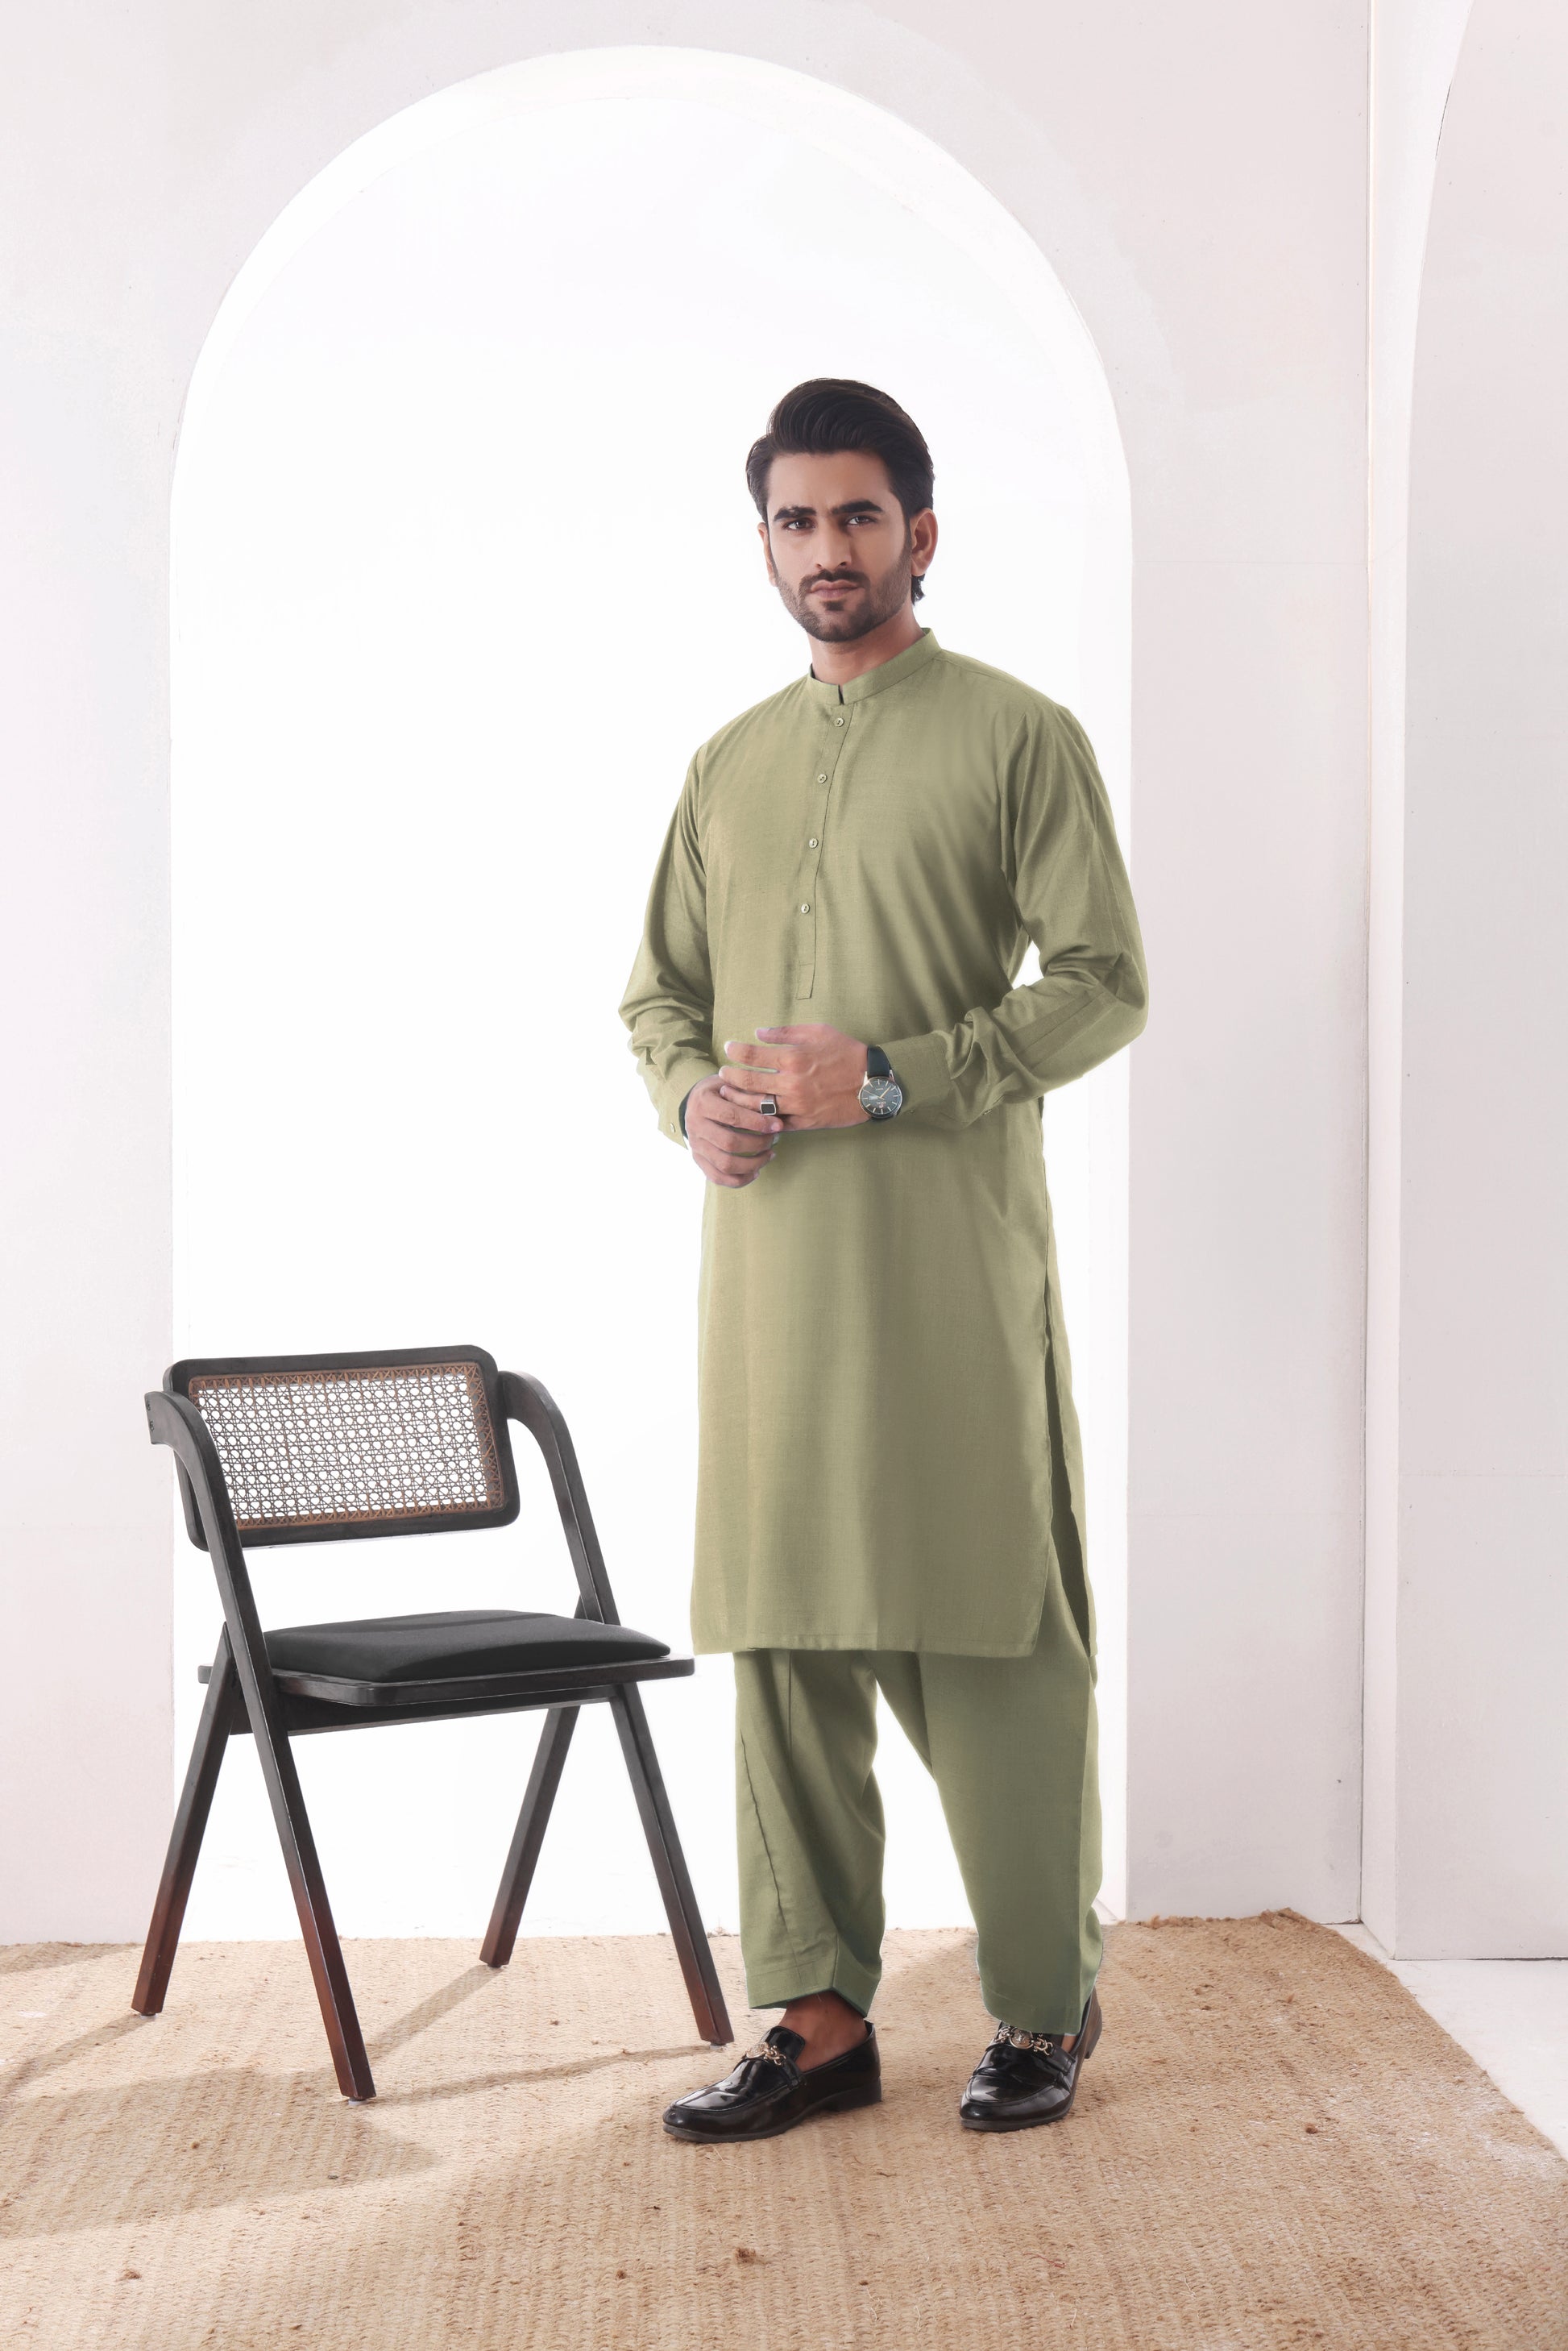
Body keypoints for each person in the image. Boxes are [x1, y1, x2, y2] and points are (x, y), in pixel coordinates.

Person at [618, 379, 1147, 2141]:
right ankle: (818, 2016)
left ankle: (1041, 2006)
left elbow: (1102, 981)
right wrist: (691, 1100)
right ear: (764, 542)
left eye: (856, 515)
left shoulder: (1015, 735)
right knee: (781, 1634)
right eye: (795, 519)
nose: (825, 548)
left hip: (945, 1268)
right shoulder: (727, 764)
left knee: (992, 1621)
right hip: (770, 1278)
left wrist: (900, 1074)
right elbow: (658, 997)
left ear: (918, 533)